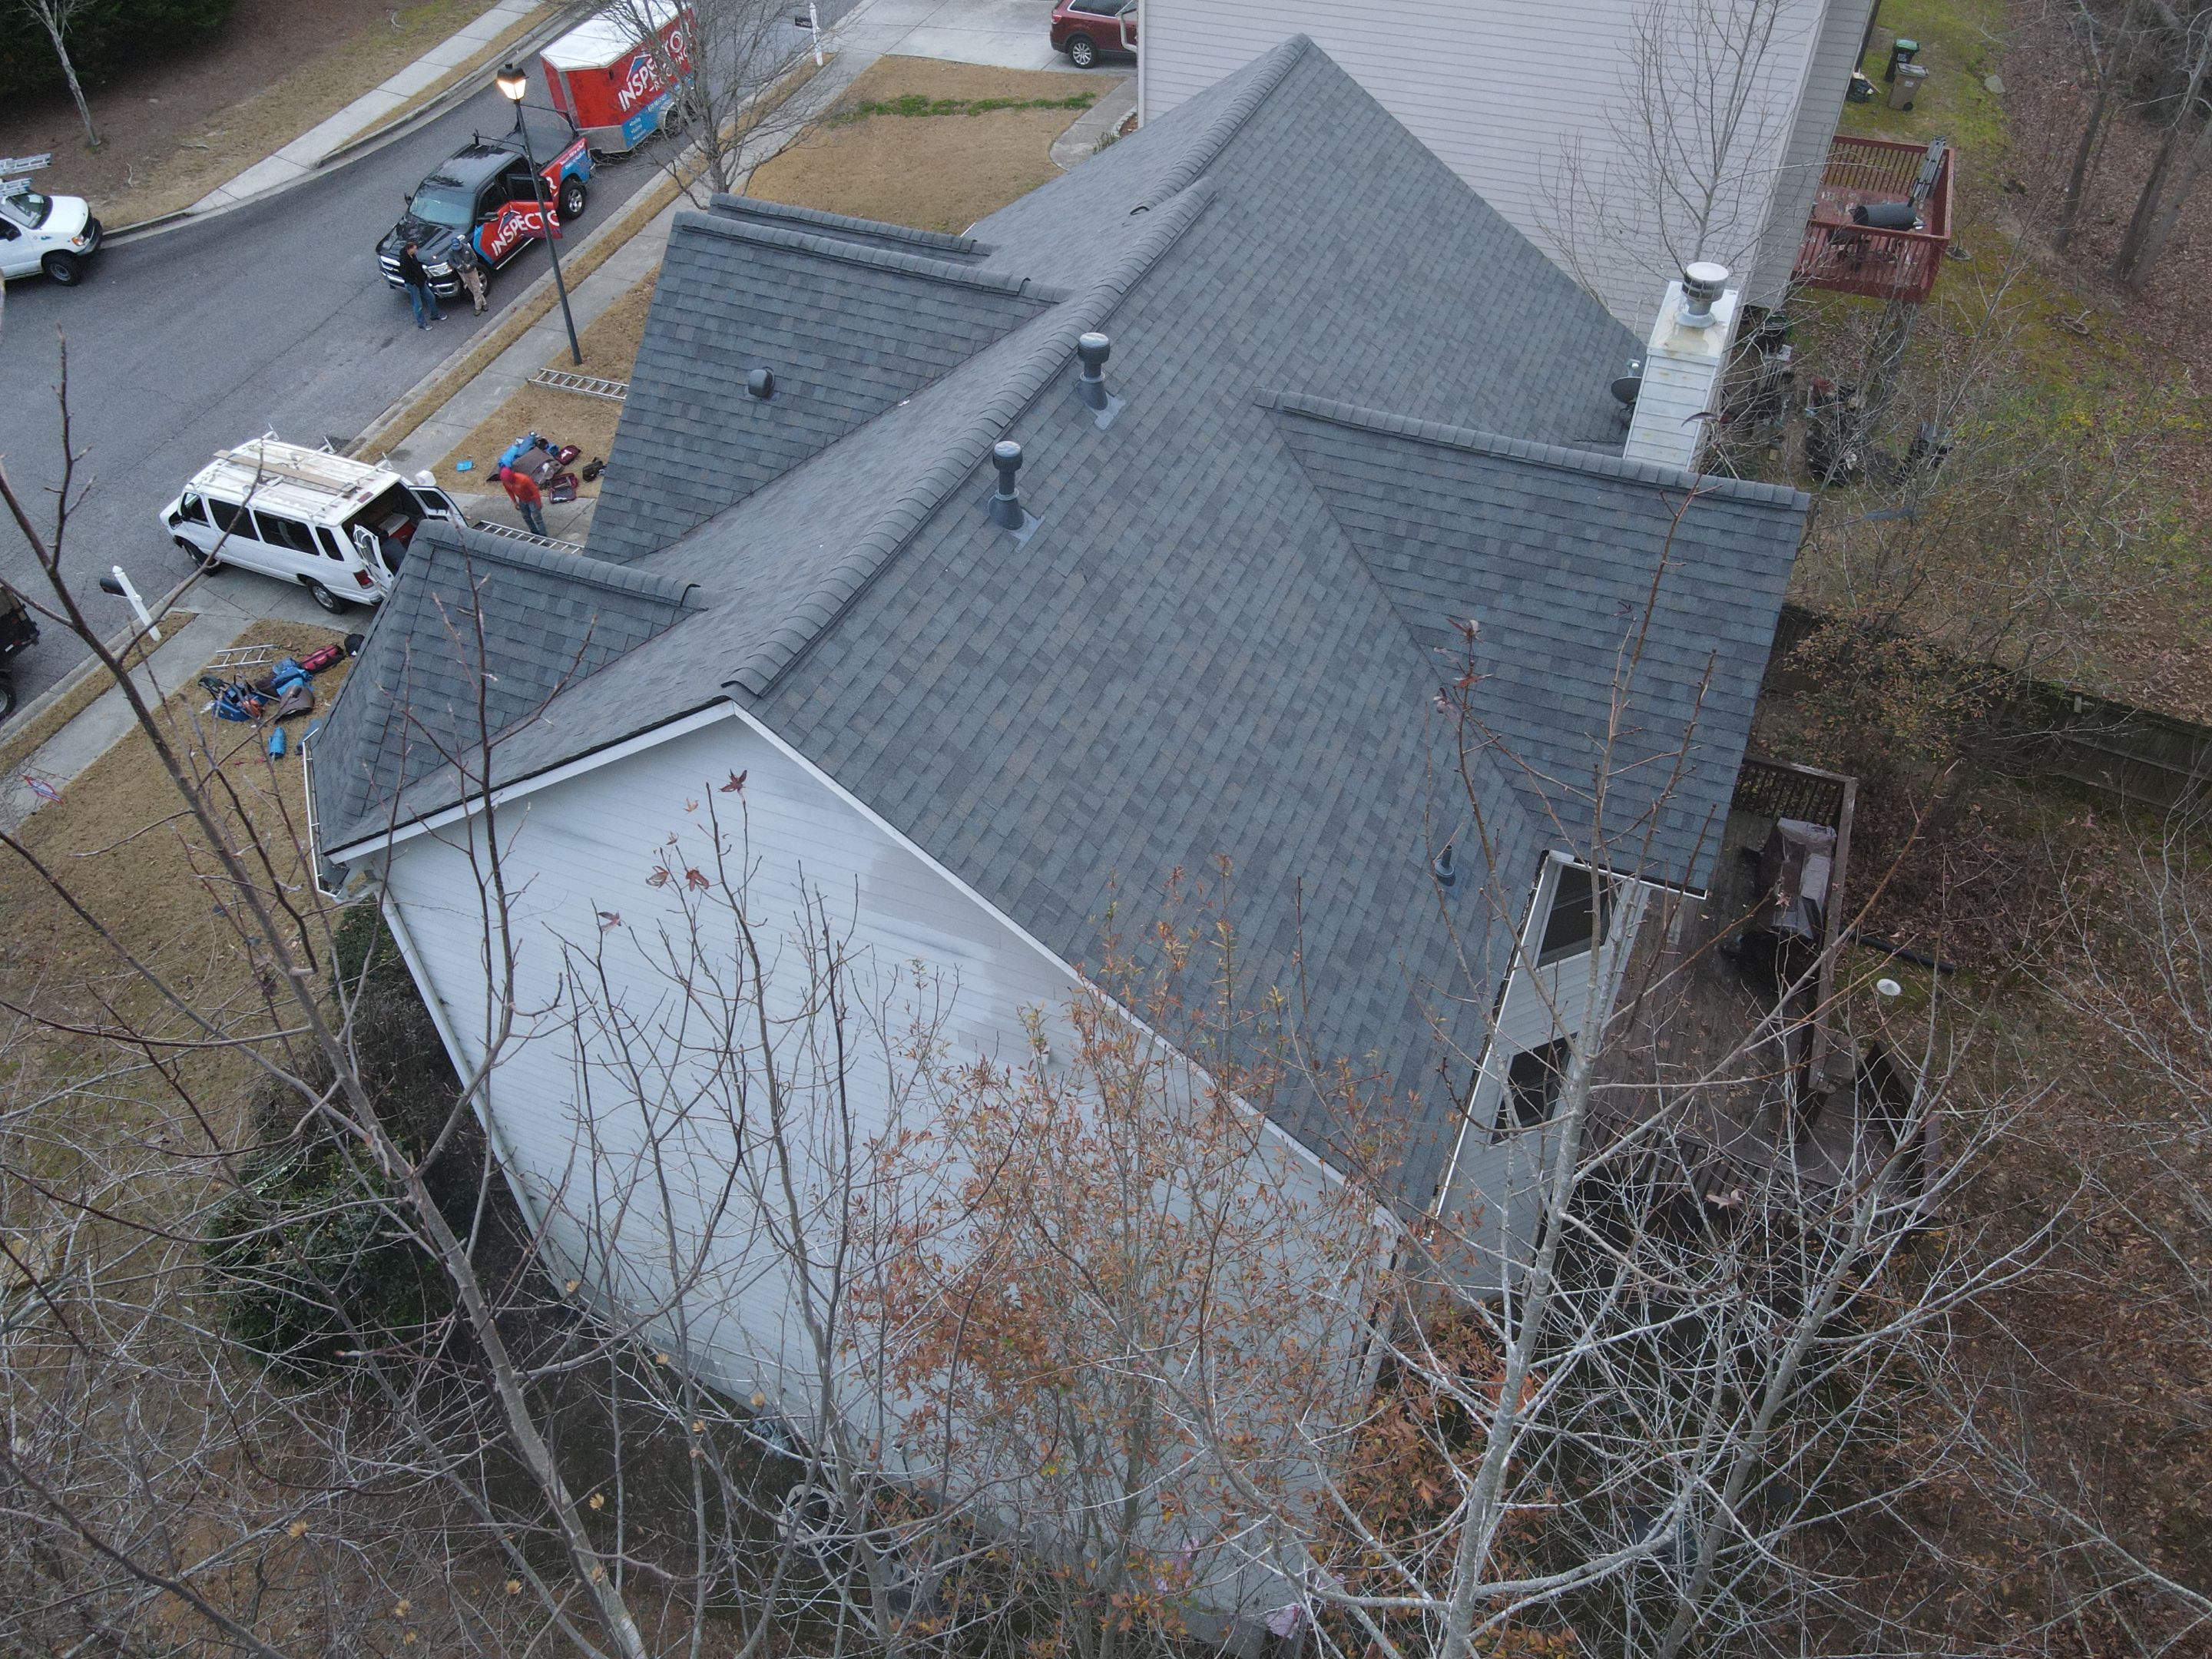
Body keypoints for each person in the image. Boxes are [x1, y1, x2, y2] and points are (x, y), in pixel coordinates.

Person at [397, 241, 442, 329]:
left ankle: (435, 315)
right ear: (409, 249)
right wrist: (414, 282)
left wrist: (423, 277)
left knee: (431, 297)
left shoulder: (412, 256)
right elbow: (404, 274)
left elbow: (417, 267)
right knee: (418, 305)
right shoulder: (404, 260)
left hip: (420, 281)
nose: (416, 250)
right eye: (414, 248)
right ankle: (421, 323)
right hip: (413, 284)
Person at [500, 462, 548, 538]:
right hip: (522, 500)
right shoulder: (506, 482)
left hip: (532, 500)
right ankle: (534, 533)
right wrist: (515, 502)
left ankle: (543, 536)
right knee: (526, 517)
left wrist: (538, 503)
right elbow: (509, 491)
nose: (507, 482)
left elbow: (535, 491)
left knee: (537, 518)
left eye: (508, 480)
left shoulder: (524, 479)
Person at [454, 237, 488, 316]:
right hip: (462, 273)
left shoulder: (467, 249)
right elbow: (452, 262)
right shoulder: (451, 252)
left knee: (476, 288)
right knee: (471, 288)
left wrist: (470, 265)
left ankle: (478, 307)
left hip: (472, 271)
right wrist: (457, 266)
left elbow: (475, 259)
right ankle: (484, 303)